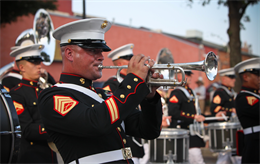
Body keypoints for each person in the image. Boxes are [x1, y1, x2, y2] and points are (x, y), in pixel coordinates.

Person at [38, 18, 163, 164]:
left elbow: (148, 130)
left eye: (101, 51)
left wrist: (149, 98)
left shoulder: (103, 95)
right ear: (69, 54)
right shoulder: (53, 96)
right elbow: (95, 123)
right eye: (92, 51)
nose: (101, 57)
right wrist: (134, 81)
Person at [9, 44, 58, 164]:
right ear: (22, 67)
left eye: (39, 63)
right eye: (34, 63)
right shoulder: (16, 94)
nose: (39, 67)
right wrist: (56, 129)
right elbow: (27, 130)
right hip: (32, 156)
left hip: (49, 154)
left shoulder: (43, 91)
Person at [102, 43, 145, 164]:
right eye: (129, 60)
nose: (133, 62)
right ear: (120, 64)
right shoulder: (113, 84)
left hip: (136, 140)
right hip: (125, 141)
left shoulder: (135, 82)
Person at [168, 70, 206, 164]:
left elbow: (195, 111)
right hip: (182, 130)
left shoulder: (190, 92)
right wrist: (193, 117)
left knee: (195, 159)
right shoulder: (176, 93)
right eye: (187, 75)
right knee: (195, 159)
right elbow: (173, 112)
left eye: (189, 75)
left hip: (191, 131)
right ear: (179, 76)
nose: (190, 77)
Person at [210, 67, 240, 164]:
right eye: (231, 77)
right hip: (225, 130)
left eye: (233, 77)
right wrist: (231, 111)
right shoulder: (220, 92)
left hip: (233, 128)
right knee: (225, 156)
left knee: (233, 156)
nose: (234, 80)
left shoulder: (231, 92)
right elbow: (215, 108)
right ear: (224, 79)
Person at [234, 57, 260, 164]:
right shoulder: (244, 97)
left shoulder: (255, 96)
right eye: (258, 76)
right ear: (246, 77)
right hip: (255, 144)